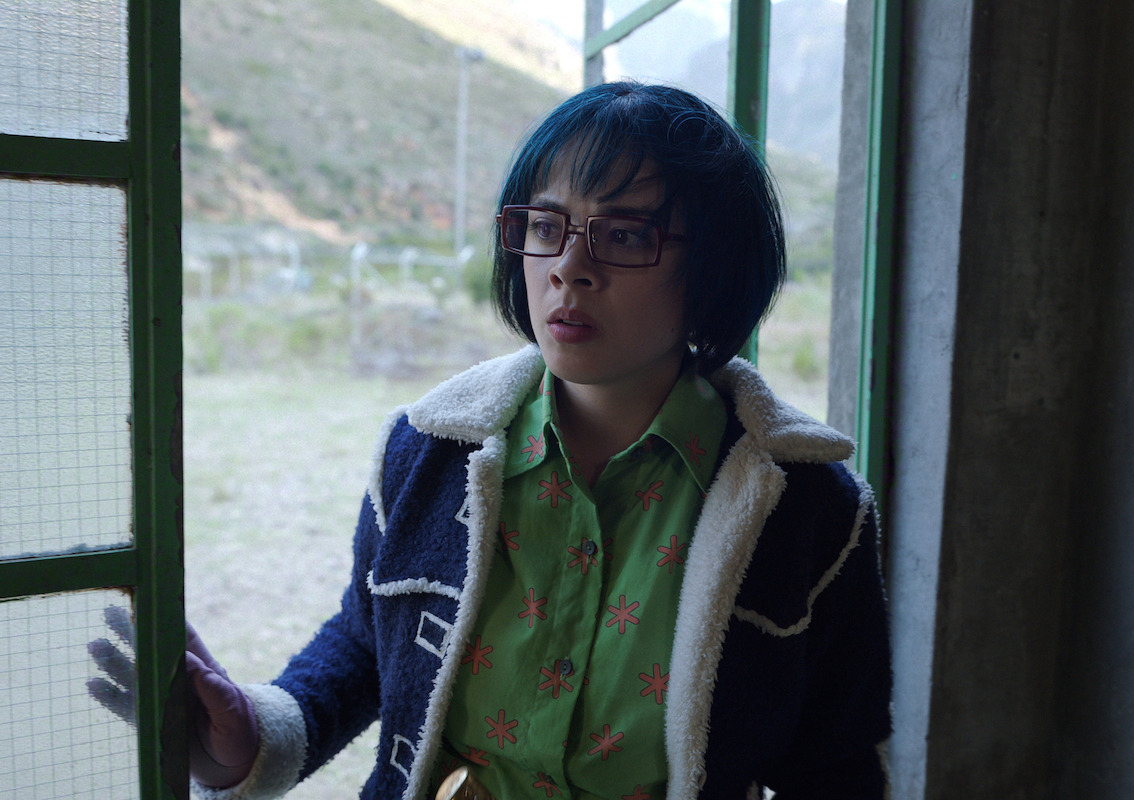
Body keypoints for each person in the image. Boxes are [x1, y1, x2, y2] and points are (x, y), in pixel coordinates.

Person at [93, 81, 891, 799]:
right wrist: (252, 737)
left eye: (623, 235)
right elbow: (368, 648)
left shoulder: (808, 508)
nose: (569, 267)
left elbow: (837, 768)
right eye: (546, 225)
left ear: (715, 266)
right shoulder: (428, 452)